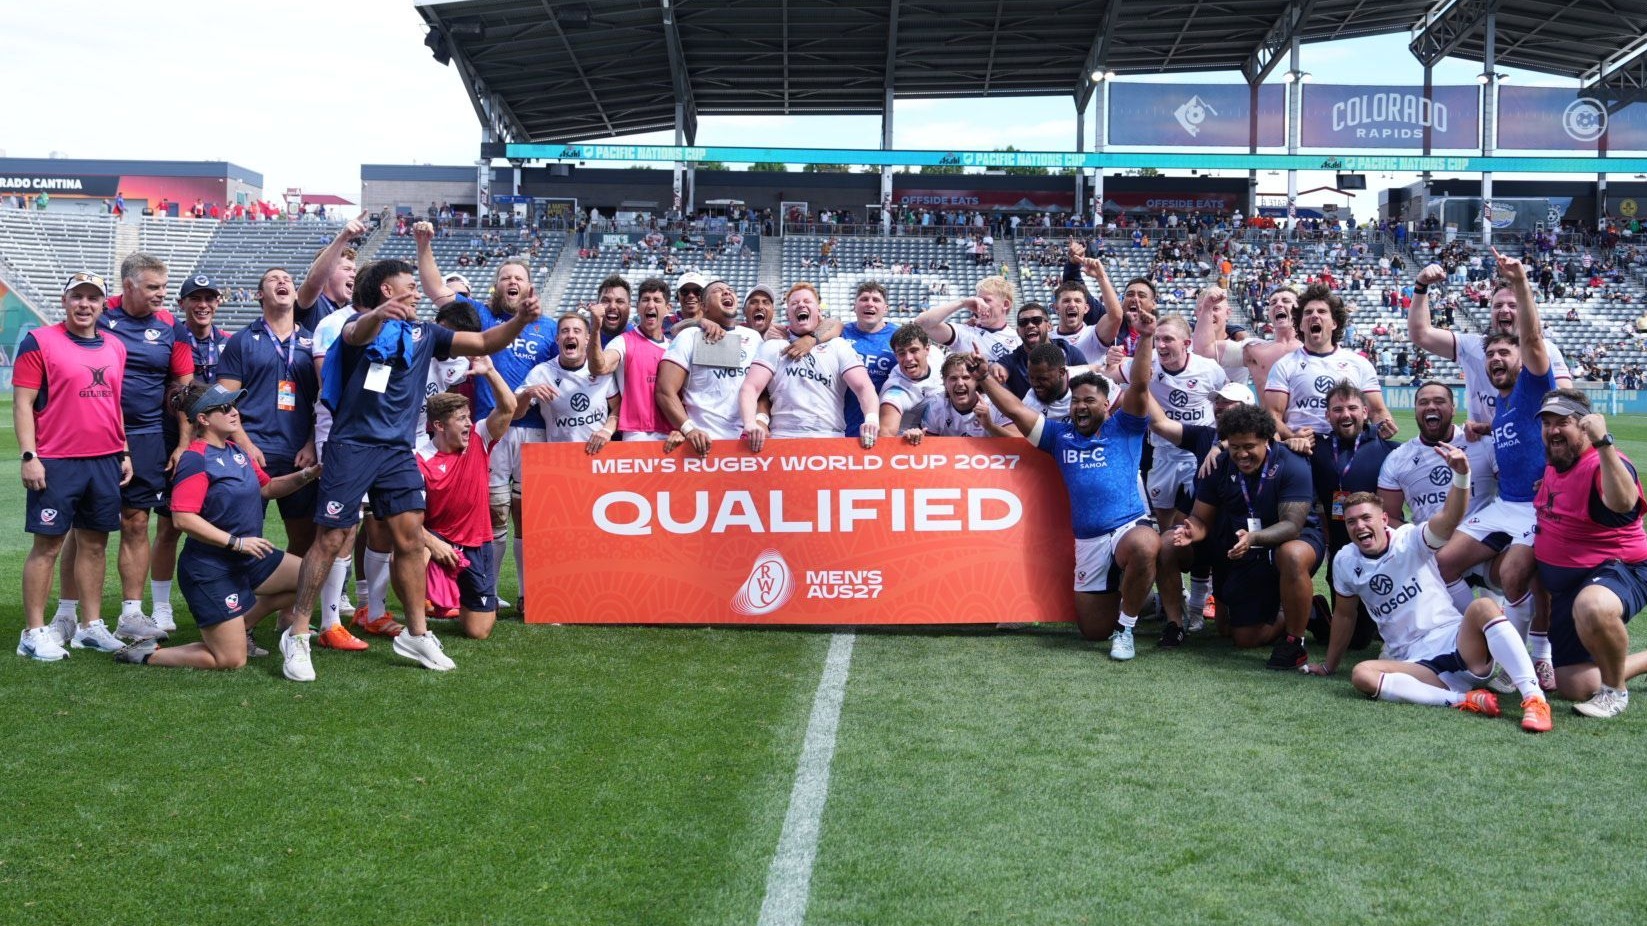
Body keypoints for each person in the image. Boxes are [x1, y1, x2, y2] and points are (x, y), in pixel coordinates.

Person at [279, 258, 545, 683]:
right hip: (352, 447)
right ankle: (297, 635)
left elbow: (482, 341)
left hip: (398, 451)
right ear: (388, 290)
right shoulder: (356, 325)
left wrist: (518, 321)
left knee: (407, 539)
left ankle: (416, 634)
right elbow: (356, 334)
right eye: (409, 285)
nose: (417, 292)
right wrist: (378, 316)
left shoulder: (425, 333)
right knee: (330, 538)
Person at [1301, 469, 1552, 733]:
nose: (1359, 526)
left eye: (1366, 518)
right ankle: (1464, 700)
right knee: (1362, 674)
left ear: (1384, 519)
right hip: (1416, 664)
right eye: (1351, 522)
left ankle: (1534, 698)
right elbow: (1344, 615)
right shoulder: (1344, 561)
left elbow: (1449, 520)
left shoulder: (1409, 538)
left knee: (1483, 606)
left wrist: (1462, 476)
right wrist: (1329, 666)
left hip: (1459, 644)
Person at [975, 304, 1158, 659]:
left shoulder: (1126, 427)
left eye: (1090, 400)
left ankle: (1128, 628)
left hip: (1126, 526)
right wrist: (984, 378)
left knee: (1146, 545)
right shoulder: (1060, 437)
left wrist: (1147, 337)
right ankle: (1131, 593)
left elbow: (1140, 383)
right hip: (1087, 540)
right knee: (1092, 632)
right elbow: (1015, 410)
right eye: (1076, 401)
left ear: (1107, 406)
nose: (1081, 407)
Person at [116, 384, 319, 669]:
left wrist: (308, 475)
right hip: (210, 569)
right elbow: (183, 518)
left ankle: (242, 625)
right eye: (224, 408)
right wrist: (236, 542)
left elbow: (268, 487)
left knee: (312, 576)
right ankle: (148, 653)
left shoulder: (238, 451)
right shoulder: (195, 459)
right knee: (232, 660)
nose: (234, 412)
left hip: (247, 558)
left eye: (233, 406)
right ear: (203, 419)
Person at [415, 222, 557, 614]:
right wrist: (424, 246)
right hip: (489, 428)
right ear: (495, 286)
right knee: (493, 512)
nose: (511, 281)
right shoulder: (480, 314)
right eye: (504, 277)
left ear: (530, 288)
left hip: (535, 428)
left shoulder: (549, 327)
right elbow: (436, 291)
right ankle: (487, 593)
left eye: (519, 278)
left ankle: (533, 594)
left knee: (531, 515)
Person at [1433, 251, 1551, 685]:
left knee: (1518, 573)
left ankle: (1537, 654)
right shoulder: (1500, 405)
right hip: (1508, 503)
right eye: (1492, 355)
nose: (1498, 358)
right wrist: (1482, 429)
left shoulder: (1536, 382)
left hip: (1541, 507)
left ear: (1520, 358)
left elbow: (1534, 341)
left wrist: (1519, 284)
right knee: (1443, 562)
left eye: (1506, 351)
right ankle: (1486, 634)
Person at [15, 273, 135, 662]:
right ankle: (33, 632)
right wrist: (30, 456)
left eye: (93, 298)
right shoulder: (40, 341)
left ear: (104, 304)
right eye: (77, 297)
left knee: (96, 544)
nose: (85, 305)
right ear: (64, 300)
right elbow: (23, 403)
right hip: (56, 461)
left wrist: (125, 450)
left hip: (104, 460)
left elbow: (114, 404)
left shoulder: (116, 347)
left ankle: (90, 628)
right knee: (47, 546)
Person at [1520, 391, 1647, 717]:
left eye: (1563, 422)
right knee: (1575, 685)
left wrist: (1604, 443)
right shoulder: (1558, 463)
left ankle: (1614, 693)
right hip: (1569, 587)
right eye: (1547, 423)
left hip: (1620, 568)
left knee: (1593, 606)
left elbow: (1623, 503)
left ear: (1586, 427)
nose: (1552, 431)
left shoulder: (1602, 462)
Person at [1172, 403, 1325, 670]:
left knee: (1290, 554)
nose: (1242, 454)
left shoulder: (1292, 462)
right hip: (1245, 545)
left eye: (1249, 446)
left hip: (1294, 540)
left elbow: (1292, 525)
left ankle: (1294, 642)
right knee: (1238, 636)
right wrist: (1190, 531)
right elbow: (1200, 518)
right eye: (1235, 447)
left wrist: (1254, 539)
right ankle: (1306, 610)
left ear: (1267, 440)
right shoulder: (1219, 464)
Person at [92, 253, 192, 643]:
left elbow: (182, 388)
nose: (161, 295)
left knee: (136, 522)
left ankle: (131, 614)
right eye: (153, 287)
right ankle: (73, 615)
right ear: (129, 286)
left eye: (164, 287)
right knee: (87, 527)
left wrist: (183, 442)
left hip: (147, 435)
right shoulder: (99, 314)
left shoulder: (170, 325)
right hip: (95, 435)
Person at [1142, 382, 1258, 644]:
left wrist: (1224, 446)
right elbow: (1160, 424)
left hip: (1246, 538)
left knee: (1231, 631)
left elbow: (1272, 438)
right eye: (1218, 402)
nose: (1220, 407)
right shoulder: (1205, 436)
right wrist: (1136, 381)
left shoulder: (1262, 441)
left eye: (1229, 403)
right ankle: (1175, 623)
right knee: (1167, 544)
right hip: (1205, 531)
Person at [150, 273, 231, 636]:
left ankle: (227, 600)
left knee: (223, 521)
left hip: (218, 443)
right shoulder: (169, 341)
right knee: (169, 525)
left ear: (217, 303)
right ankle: (162, 607)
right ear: (181, 304)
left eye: (209, 298)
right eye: (195, 299)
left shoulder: (231, 343)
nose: (203, 305)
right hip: (176, 441)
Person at [418, 356, 518, 639]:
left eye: (468, 417)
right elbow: (401, 519)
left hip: (477, 544)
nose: (468, 424)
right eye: (460, 419)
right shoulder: (418, 460)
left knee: (478, 632)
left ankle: (454, 599)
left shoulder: (478, 438)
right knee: (412, 548)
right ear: (438, 425)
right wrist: (432, 543)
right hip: (439, 544)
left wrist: (490, 372)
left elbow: (508, 407)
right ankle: (417, 619)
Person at [1407, 262, 1573, 428]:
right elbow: (1421, 334)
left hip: (1530, 446)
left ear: (1525, 310)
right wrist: (1421, 285)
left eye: (1513, 305)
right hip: (1481, 446)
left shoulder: (1546, 349)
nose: (1504, 310)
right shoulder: (1473, 345)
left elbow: (1566, 398)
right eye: (1498, 305)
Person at [740, 284, 879, 449]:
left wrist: (871, 419)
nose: (801, 305)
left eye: (807, 301)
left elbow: (864, 387)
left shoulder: (839, 346)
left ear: (819, 311)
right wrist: (750, 423)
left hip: (830, 438)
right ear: (787, 314)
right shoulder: (774, 346)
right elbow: (750, 388)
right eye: (794, 303)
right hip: (782, 439)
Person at [1264, 283, 1395, 444]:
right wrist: (1292, 437)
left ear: (1334, 323)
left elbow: (1377, 411)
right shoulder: (1284, 365)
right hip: (1302, 447)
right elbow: (1272, 416)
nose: (1314, 316)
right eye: (1308, 312)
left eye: (1322, 311)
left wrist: (1385, 425)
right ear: (1300, 325)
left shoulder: (1359, 364)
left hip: (1348, 445)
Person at [656, 280, 763, 455]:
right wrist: (689, 429)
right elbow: (664, 390)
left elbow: (764, 391)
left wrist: (760, 421)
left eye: (731, 290)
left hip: (747, 446)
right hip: (703, 445)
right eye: (719, 291)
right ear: (704, 306)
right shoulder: (690, 336)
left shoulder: (754, 338)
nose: (727, 293)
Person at [1376, 382, 1497, 524]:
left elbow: (1516, 493)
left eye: (1439, 401)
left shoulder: (1482, 443)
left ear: (1453, 410)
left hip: (1482, 541)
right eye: (1423, 402)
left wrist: (1491, 428)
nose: (1431, 406)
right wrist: (1420, 540)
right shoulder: (1397, 459)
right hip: (1429, 543)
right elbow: (1388, 518)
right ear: (1415, 410)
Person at [517, 314, 620, 452]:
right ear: (557, 339)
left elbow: (618, 406)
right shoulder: (542, 372)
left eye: (577, 331)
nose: (570, 335)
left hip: (598, 454)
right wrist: (527, 394)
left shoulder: (601, 369)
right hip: (561, 457)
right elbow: (515, 413)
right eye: (565, 331)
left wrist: (607, 430)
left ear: (587, 339)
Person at [591, 277, 672, 441]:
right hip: (637, 433)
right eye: (645, 300)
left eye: (657, 300)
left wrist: (681, 428)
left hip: (671, 434)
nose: (650, 305)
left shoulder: (674, 347)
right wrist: (595, 330)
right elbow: (599, 367)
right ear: (637, 307)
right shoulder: (622, 342)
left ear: (668, 308)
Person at [913, 275, 1022, 363]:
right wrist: (963, 303)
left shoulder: (1019, 339)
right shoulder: (965, 333)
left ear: (1005, 304)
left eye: (987, 300)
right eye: (978, 300)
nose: (980, 305)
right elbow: (920, 324)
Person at [840, 281, 897, 436]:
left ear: (886, 308)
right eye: (864, 299)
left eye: (876, 300)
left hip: (882, 429)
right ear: (854, 306)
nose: (870, 304)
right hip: (842, 427)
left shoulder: (898, 336)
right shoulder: (840, 333)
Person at [294, 212, 367, 332]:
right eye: (347, 269)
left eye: (354, 270)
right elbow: (314, 281)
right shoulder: (312, 303)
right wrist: (343, 237)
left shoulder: (354, 309)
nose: (354, 274)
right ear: (327, 273)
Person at [999, 302, 1087, 399]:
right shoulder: (1011, 361)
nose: (1030, 325)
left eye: (1036, 320)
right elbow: (997, 371)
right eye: (1023, 322)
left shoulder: (1069, 352)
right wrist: (995, 370)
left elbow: (1088, 384)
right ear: (1018, 331)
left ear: (1049, 326)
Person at [878, 324, 945, 439]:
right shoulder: (895, 393)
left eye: (913, 350)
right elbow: (884, 436)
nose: (908, 358)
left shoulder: (936, 355)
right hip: (911, 446)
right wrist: (905, 438)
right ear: (896, 356)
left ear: (927, 349)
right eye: (902, 353)